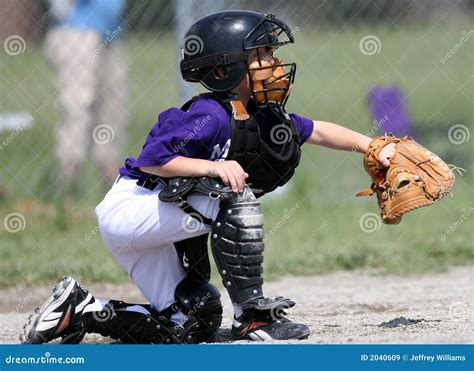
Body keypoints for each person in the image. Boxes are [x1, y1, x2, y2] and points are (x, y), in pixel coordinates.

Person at [22, 10, 395, 344]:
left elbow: (316, 131)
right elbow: (154, 160)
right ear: (224, 70)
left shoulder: (264, 117)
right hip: (134, 208)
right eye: (261, 56)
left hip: (161, 220)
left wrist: (374, 146)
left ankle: (81, 310)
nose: (275, 63)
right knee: (234, 193)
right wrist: (211, 166)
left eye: (271, 53)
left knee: (193, 321)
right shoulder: (208, 115)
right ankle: (253, 318)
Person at [45, 0, 127, 192]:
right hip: (76, 28)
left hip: (111, 29)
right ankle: (64, 188)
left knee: (112, 110)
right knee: (78, 109)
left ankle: (117, 191)